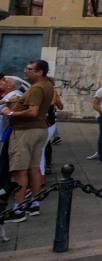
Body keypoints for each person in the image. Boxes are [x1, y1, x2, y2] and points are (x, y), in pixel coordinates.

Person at [0, 59, 55, 223]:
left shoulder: (37, 88)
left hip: (26, 131)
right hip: (39, 129)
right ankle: (33, 203)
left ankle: (18, 209)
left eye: (30, 69)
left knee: (20, 170)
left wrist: (10, 113)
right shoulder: (46, 85)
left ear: (40, 72)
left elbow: (33, 111)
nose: (25, 71)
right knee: (34, 167)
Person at [0, 76, 26, 198]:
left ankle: (5, 186)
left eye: (4, 81)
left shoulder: (14, 95)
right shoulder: (10, 95)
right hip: (7, 131)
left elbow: (13, 112)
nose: (1, 82)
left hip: (9, 131)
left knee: (5, 159)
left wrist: (8, 110)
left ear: (9, 85)